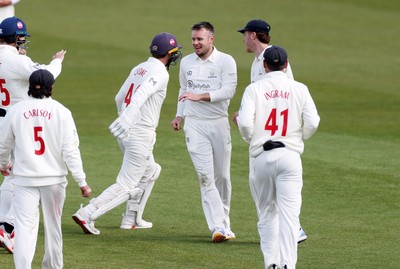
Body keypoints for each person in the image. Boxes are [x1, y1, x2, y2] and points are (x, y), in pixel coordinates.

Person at [72, 32, 182, 235]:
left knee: (151, 171)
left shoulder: (140, 67)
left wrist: (124, 118)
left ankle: (131, 218)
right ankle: (87, 213)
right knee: (126, 184)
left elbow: (119, 97)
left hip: (126, 131)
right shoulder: (161, 73)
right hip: (140, 133)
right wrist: (128, 119)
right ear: (170, 54)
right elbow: (141, 94)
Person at [236, 46, 320, 269]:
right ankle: (287, 266)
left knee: (267, 214)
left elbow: (244, 123)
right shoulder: (299, 88)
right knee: (290, 216)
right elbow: (313, 122)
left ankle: (271, 264)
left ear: (264, 65)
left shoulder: (254, 89)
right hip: (290, 156)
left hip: (262, 156)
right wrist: (297, 138)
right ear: (286, 64)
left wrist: (250, 139)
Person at [0, 69, 92, 269]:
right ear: (52, 87)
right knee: (53, 227)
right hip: (54, 180)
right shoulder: (62, 112)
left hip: (25, 180)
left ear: (30, 86)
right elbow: (70, 150)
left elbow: (3, 144)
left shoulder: (16, 110)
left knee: (25, 230)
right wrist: (82, 181)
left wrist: (3, 163)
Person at [235, 19, 307, 243]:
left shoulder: (272, 59)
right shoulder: (259, 60)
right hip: (264, 131)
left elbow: (287, 94)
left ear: (254, 35)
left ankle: (289, 232)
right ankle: (287, 231)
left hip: (270, 135)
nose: (244, 38)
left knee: (263, 185)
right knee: (265, 185)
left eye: (245, 34)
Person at [0, 16, 66, 254]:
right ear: (17, 39)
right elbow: (45, 76)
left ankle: (3, 226)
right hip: (20, 121)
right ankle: (8, 227)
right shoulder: (17, 61)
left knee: (10, 176)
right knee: (25, 179)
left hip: (2, 121)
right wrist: (56, 62)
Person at [170, 21, 237, 243]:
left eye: (200, 39)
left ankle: (225, 222)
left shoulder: (226, 61)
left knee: (223, 177)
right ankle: (217, 227)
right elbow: (183, 89)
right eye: (193, 39)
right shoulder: (186, 62)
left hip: (218, 122)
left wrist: (200, 96)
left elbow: (229, 90)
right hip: (195, 124)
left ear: (211, 39)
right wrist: (180, 115)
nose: (196, 43)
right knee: (205, 177)